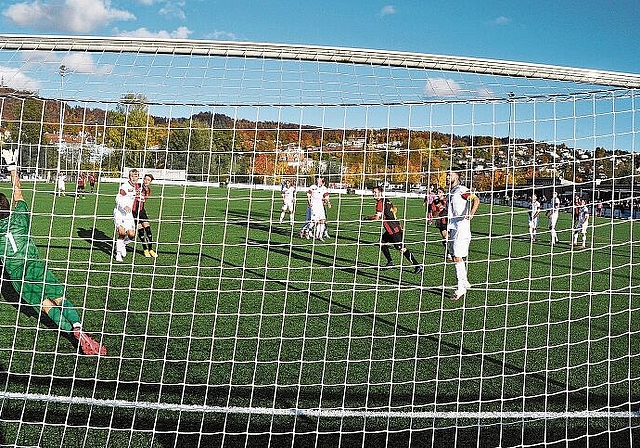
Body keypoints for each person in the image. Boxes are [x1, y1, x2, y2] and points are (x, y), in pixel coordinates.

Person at [0, 149, 106, 355]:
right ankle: (78, 328)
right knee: (59, 298)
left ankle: (71, 332)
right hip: (35, 266)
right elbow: (18, 192)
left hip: (17, 275)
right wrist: (12, 167)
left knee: (45, 305)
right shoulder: (20, 218)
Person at [363, 186, 423, 274]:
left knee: (402, 249)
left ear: (380, 192)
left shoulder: (380, 202)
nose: (374, 194)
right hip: (392, 228)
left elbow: (377, 217)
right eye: (373, 192)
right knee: (381, 242)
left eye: (375, 192)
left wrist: (367, 218)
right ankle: (390, 262)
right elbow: (394, 209)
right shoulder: (387, 200)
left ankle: (418, 266)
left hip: (394, 230)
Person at [446, 169, 480, 301]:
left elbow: (476, 199)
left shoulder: (461, 189)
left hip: (461, 228)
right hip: (454, 227)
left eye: (450, 174)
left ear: (458, 176)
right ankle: (465, 282)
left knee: (456, 257)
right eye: (447, 174)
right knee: (455, 256)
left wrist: (471, 213)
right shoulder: (452, 191)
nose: (448, 176)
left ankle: (460, 288)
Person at [113, 169, 140, 262]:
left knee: (132, 235)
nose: (134, 178)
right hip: (119, 213)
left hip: (128, 215)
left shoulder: (137, 187)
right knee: (122, 233)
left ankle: (123, 244)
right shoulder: (125, 186)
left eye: (136, 176)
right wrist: (124, 206)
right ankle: (118, 254)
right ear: (129, 177)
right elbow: (117, 198)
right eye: (132, 176)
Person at [132, 173, 158, 258]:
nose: (146, 181)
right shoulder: (137, 186)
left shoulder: (148, 190)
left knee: (149, 231)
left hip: (142, 211)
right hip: (134, 211)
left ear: (150, 182)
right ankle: (145, 250)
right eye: (145, 179)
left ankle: (151, 249)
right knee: (141, 232)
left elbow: (143, 200)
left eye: (148, 180)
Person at [306, 175, 330, 241]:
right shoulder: (312, 187)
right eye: (317, 179)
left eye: (319, 178)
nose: (317, 180)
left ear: (322, 179)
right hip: (314, 206)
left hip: (320, 206)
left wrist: (328, 202)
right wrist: (309, 202)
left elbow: (326, 197)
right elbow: (308, 195)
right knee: (314, 221)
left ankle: (320, 236)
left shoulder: (324, 188)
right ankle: (307, 231)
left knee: (322, 221)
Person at [430, 187, 450, 259]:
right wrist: (438, 211)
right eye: (437, 192)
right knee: (445, 237)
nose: (438, 193)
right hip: (441, 221)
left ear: (443, 193)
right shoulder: (435, 202)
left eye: (440, 192)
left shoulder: (448, 199)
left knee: (451, 237)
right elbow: (434, 214)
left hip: (450, 220)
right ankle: (448, 253)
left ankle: (453, 251)